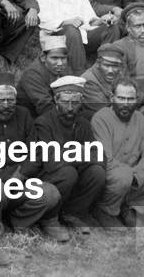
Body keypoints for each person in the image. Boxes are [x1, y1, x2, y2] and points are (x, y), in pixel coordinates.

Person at [0, 72, 68, 241]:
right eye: (0, 100)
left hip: (21, 177)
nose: (6, 105)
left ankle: (19, 221)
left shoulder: (24, 114)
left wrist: (20, 175)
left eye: (10, 100)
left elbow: (35, 151)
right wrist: (3, 178)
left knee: (50, 194)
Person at [90, 78, 144, 227]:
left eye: (130, 99)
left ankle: (130, 207)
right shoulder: (101, 118)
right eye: (121, 98)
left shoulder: (140, 119)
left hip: (135, 179)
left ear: (137, 100)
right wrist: (130, 175)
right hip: (112, 177)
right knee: (122, 176)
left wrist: (136, 175)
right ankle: (106, 210)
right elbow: (106, 159)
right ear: (112, 98)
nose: (125, 103)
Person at [33, 76, 106, 232]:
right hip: (49, 176)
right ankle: (49, 217)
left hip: (72, 172)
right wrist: (80, 154)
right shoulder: (44, 123)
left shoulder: (83, 124)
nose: (71, 108)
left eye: (75, 102)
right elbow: (51, 159)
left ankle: (72, 214)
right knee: (68, 172)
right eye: (65, 102)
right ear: (56, 100)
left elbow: (97, 155)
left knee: (97, 172)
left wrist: (70, 154)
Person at [16, 36, 71, 118]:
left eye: (63, 58)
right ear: (43, 57)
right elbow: (44, 105)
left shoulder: (63, 69)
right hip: (30, 117)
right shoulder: (32, 74)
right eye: (54, 58)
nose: (60, 63)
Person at [80, 44, 126, 119]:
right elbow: (103, 109)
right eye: (106, 65)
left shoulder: (119, 74)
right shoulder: (88, 80)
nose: (110, 70)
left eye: (115, 66)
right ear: (98, 64)